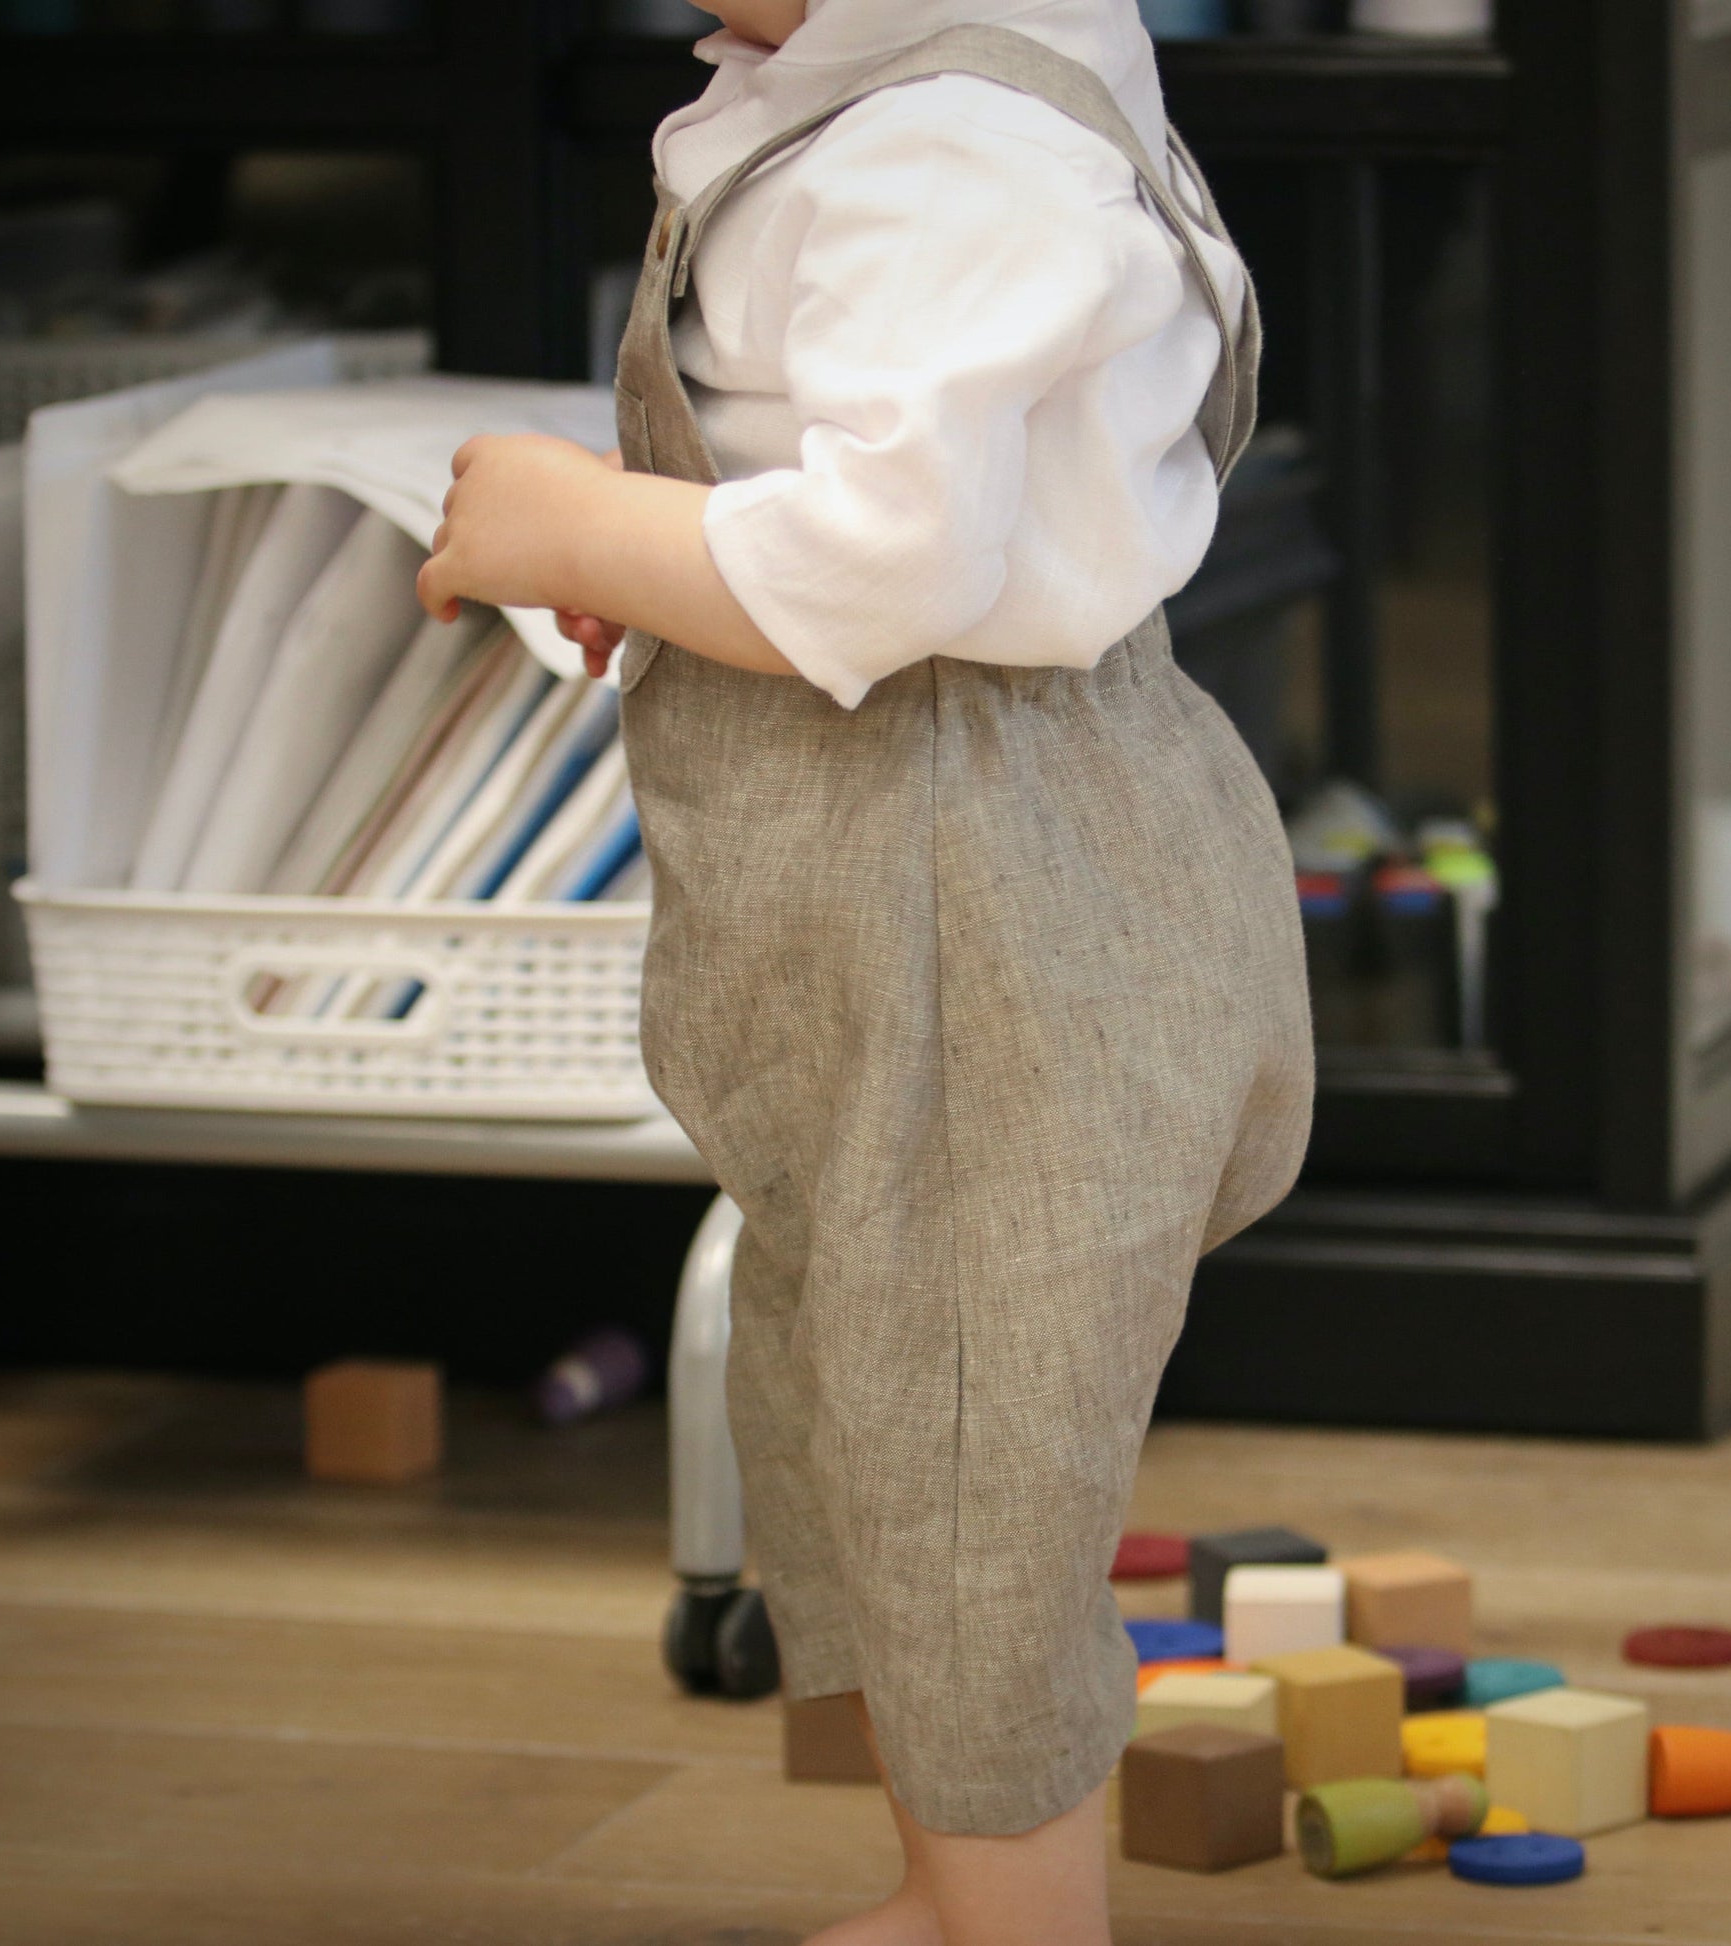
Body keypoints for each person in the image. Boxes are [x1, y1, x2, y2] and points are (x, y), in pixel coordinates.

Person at [416, 3, 1314, 1940]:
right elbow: (897, 452)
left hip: (966, 880)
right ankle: (942, 1885)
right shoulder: (901, 69)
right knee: (883, 1400)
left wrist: (587, 521)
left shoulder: (948, 155)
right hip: (926, 845)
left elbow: (893, 558)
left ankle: (1014, 1923)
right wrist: (674, 545)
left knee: (971, 1435)